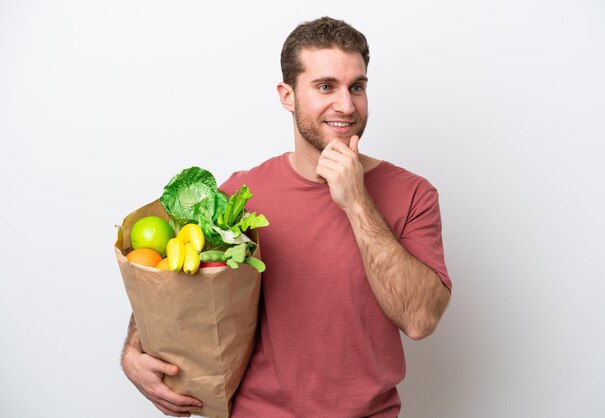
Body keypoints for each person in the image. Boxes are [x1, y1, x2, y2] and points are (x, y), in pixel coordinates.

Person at [121, 16, 452, 417]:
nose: (346, 105)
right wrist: (133, 351)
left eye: (358, 87)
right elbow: (171, 282)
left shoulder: (413, 194)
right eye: (325, 86)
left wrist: (357, 201)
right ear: (287, 95)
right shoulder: (238, 198)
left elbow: (420, 320)